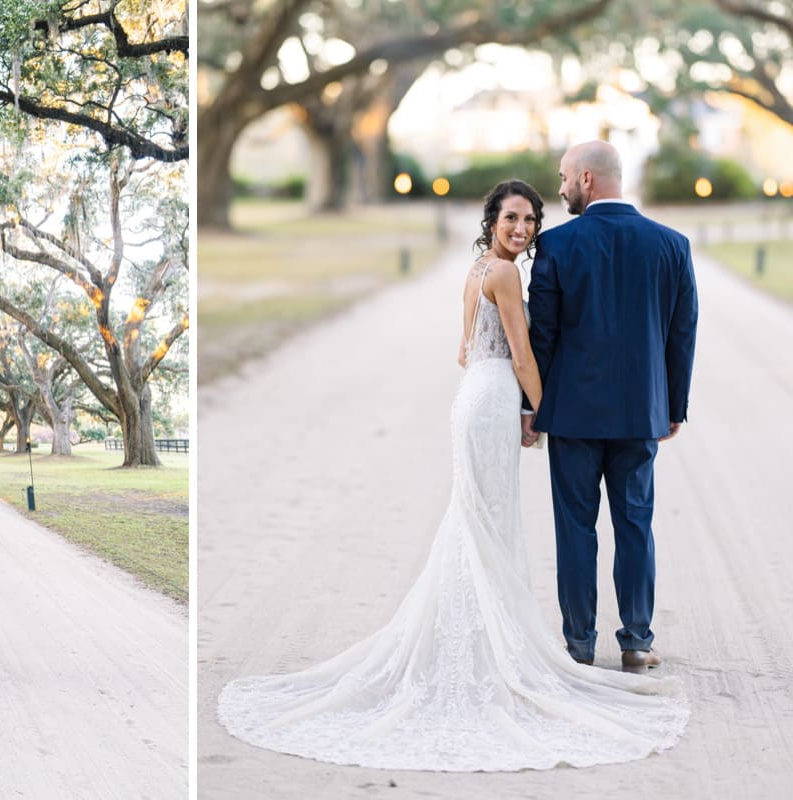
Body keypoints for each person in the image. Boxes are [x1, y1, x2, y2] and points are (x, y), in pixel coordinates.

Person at [216, 180, 689, 771]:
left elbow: (465, 351)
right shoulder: (510, 274)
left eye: (530, 220)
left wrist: (512, 394)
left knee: (476, 525)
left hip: (473, 397)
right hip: (493, 403)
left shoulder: (477, 268)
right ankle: (504, 644)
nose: (522, 229)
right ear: (491, 218)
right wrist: (541, 410)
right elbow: (521, 354)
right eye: (512, 218)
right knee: (490, 526)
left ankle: (492, 638)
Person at [522, 140, 698, 671]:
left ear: (587, 180)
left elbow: (542, 336)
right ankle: (637, 641)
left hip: (573, 415)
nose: (560, 188)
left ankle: (578, 643)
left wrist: (530, 407)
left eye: (563, 178)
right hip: (640, 412)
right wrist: (674, 405)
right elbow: (682, 332)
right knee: (635, 523)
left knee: (575, 527)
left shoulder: (557, 245)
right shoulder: (672, 244)